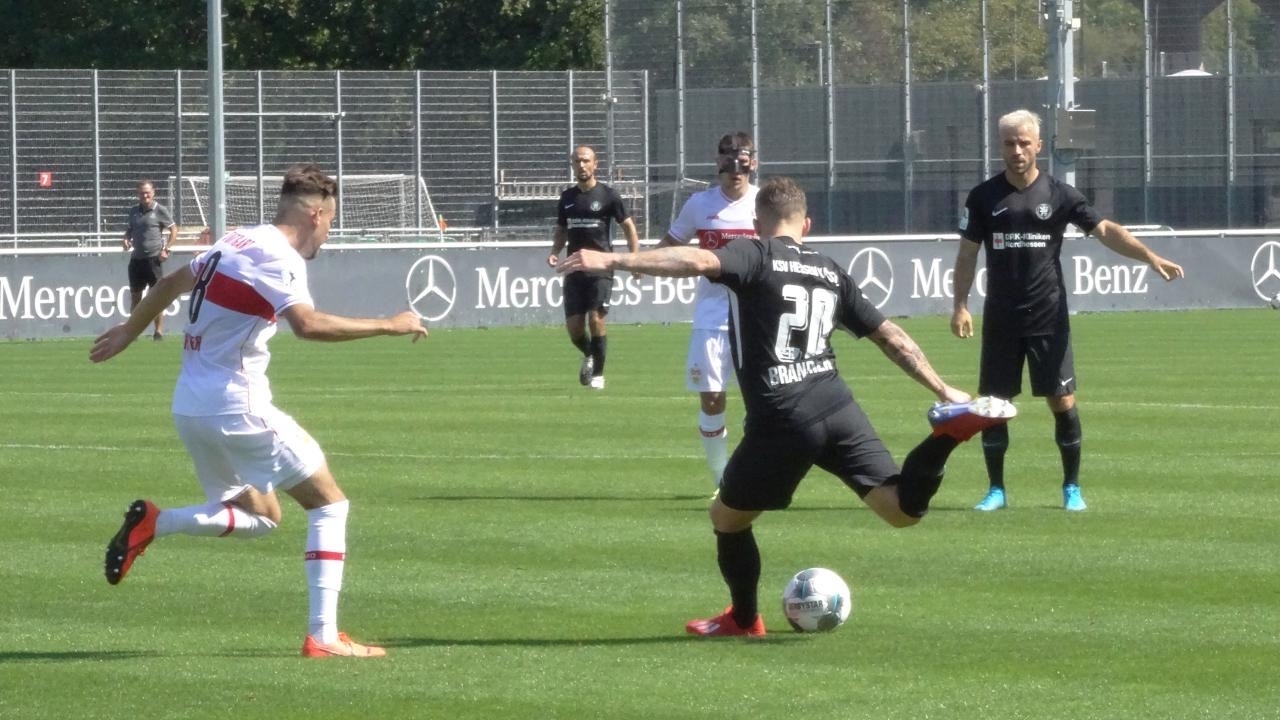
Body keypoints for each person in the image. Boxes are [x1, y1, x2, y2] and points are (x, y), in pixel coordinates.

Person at [556, 176, 1016, 637]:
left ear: (757, 223)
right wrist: (943, 389)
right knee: (901, 510)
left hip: (782, 415)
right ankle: (945, 435)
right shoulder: (830, 270)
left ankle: (743, 619)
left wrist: (613, 258)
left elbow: (697, 259)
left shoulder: (754, 253)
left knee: (727, 520)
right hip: (836, 404)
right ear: (806, 224)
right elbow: (890, 337)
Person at [91, 164, 428, 658]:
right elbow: (308, 325)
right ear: (316, 215)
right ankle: (324, 636)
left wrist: (128, 330)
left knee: (263, 517)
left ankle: (156, 523)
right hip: (237, 408)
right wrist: (389, 325)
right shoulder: (280, 258)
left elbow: (169, 285)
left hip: (191, 407)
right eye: (331, 223)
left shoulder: (237, 240)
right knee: (329, 504)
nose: (328, 234)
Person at [951, 109, 1185, 513]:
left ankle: (1072, 487)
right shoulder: (983, 197)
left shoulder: (1060, 194)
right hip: (1002, 319)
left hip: (1048, 316)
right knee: (994, 404)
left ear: (1038, 146)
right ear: (1000, 147)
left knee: (1062, 401)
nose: (1017, 150)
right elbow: (967, 254)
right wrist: (959, 305)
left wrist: (1149, 256)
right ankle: (996, 490)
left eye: (1024, 143)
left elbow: (1105, 230)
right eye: (1009, 143)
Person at [657, 131, 760, 488]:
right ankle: (722, 479)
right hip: (712, 317)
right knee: (712, 399)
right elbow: (673, 242)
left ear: (753, 164)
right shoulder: (700, 205)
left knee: (764, 401)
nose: (735, 173)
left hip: (758, 319)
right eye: (729, 165)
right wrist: (641, 263)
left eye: (742, 165)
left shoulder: (764, 203)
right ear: (718, 163)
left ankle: (759, 472)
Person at [547, 145, 640, 390]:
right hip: (574, 267)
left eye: (586, 160)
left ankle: (598, 374)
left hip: (601, 268)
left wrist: (635, 260)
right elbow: (562, 230)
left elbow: (629, 228)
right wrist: (555, 252)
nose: (582, 165)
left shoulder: (609, 196)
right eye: (577, 161)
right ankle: (589, 354)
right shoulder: (567, 198)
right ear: (572, 165)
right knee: (574, 328)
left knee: (596, 318)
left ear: (595, 164)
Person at [122, 179, 178, 340]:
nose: (145, 196)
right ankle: (133, 332)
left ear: (153, 193)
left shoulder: (160, 210)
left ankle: (158, 332)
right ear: (137, 194)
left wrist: (166, 249)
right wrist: (126, 239)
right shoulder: (134, 211)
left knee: (156, 298)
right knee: (136, 298)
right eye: (142, 193)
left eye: (147, 193)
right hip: (136, 260)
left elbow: (174, 230)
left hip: (153, 261)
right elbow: (130, 229)